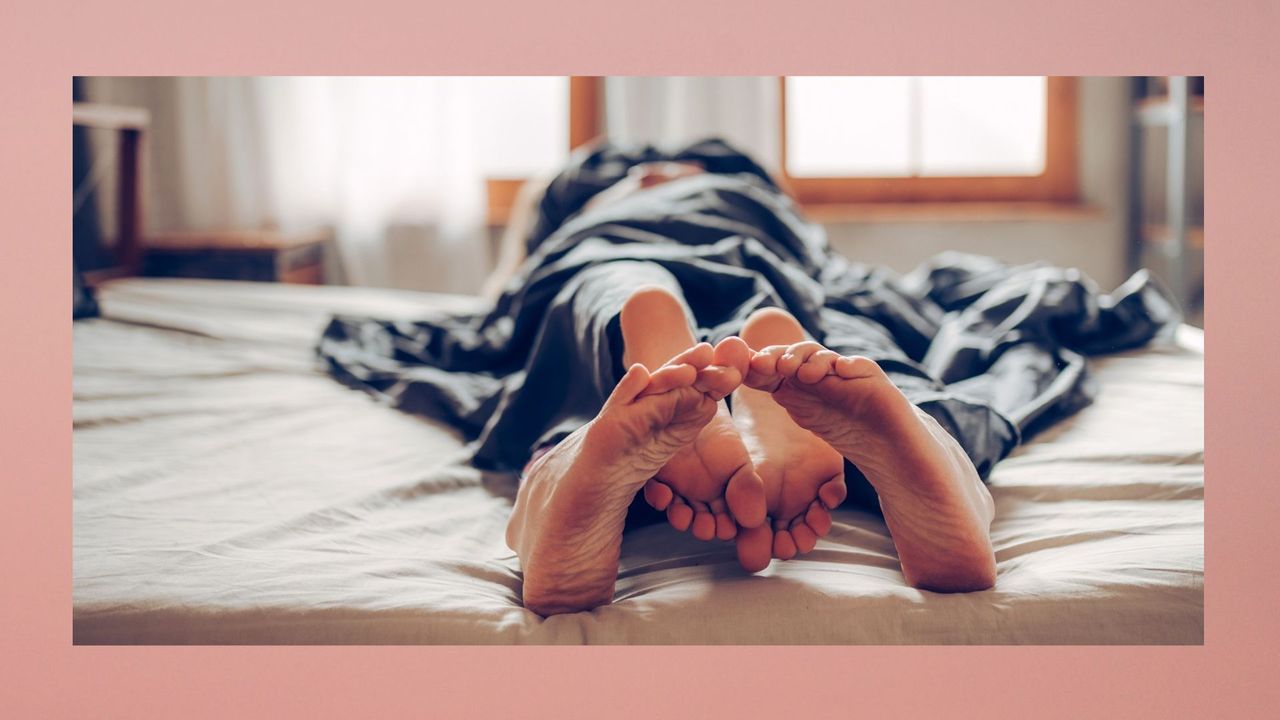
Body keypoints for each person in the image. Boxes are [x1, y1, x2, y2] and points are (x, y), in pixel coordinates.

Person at [319, 139, 1177, 617]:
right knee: (838, 339)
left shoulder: (581, 198)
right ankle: (928, 446)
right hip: (772, 253)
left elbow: (505, 297)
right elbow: (834, 256)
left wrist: (563, 247)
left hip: (606, 250)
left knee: (591, 305)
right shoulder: (741, 179)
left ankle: (596, 417)